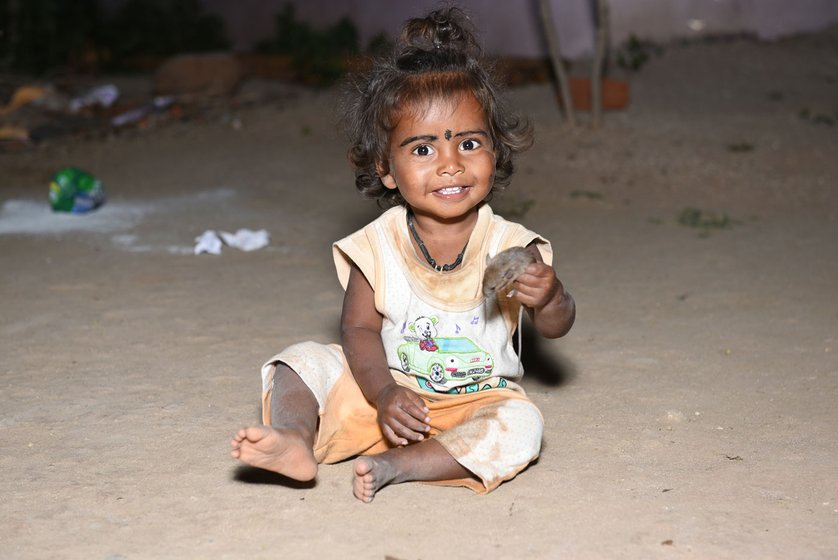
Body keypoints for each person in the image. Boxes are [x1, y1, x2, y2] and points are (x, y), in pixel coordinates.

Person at [230, 6, 575, 503]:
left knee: (522, 424)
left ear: (495, 152)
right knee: (299, 362)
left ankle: (400, 465)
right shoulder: (377, 245)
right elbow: (359, 330)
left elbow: (557, 325)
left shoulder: (511, 245)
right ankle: (294, 440)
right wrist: (384, 392)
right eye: (422, 150)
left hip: (477, 400)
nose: (450, 165)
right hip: (383, 396)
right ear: (385, 167)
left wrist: (551, 296)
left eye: (470, 143)